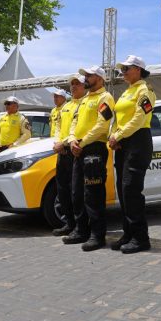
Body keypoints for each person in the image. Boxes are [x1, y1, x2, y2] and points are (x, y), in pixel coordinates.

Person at [64, 66, 115, 251]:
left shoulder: (105, 97)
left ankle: (97, 235)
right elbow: (74, 122)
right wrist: (72, 140)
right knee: (77, 193)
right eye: (85, 75)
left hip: (94, 149)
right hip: (79, 148)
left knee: (93, 194)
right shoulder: (84, 99)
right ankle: (81, 230)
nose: (85, 77)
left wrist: (82, 142)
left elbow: (102, 126)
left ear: (100, 78)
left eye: (89, 75)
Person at [109, 55, 156, 254]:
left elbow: (139, 118)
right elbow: (117, 118)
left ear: (138, 69)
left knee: (131, 190)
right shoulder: (127, 91)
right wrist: (114, 135)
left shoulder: (146, 90)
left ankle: (141, 238)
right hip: (124, 142)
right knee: (123, 190)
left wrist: (118, 135)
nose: (123, 72)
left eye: (126, 68)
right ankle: (128, 234)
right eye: (122, 69)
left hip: (138, 141)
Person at [52, 76, 86, 236]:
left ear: (84, 86)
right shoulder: (66, 106)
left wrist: (64, 143)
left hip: (75, 150)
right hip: (62, 151)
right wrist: (58, 142)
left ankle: (80, 226)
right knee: (62, 190)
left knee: (76, 191)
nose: (73, 87)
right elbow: (58, 126)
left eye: (77, 84)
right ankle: (69, 223)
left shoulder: (84, 104)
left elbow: (79, 128)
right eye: (72, 84)